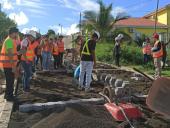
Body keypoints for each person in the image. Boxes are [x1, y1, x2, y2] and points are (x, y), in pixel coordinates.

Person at [0, 27, 19, 101]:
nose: (17, 35)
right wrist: (13, 66)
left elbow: (13, 53)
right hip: (9, 65)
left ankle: (7, 95)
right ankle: (10, 96)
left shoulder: (10, 40)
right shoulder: (9, 41)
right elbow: (10, 55)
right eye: (16, 33)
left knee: (9, 81)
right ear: (13, 33)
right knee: (10, 81)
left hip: (8, 64)